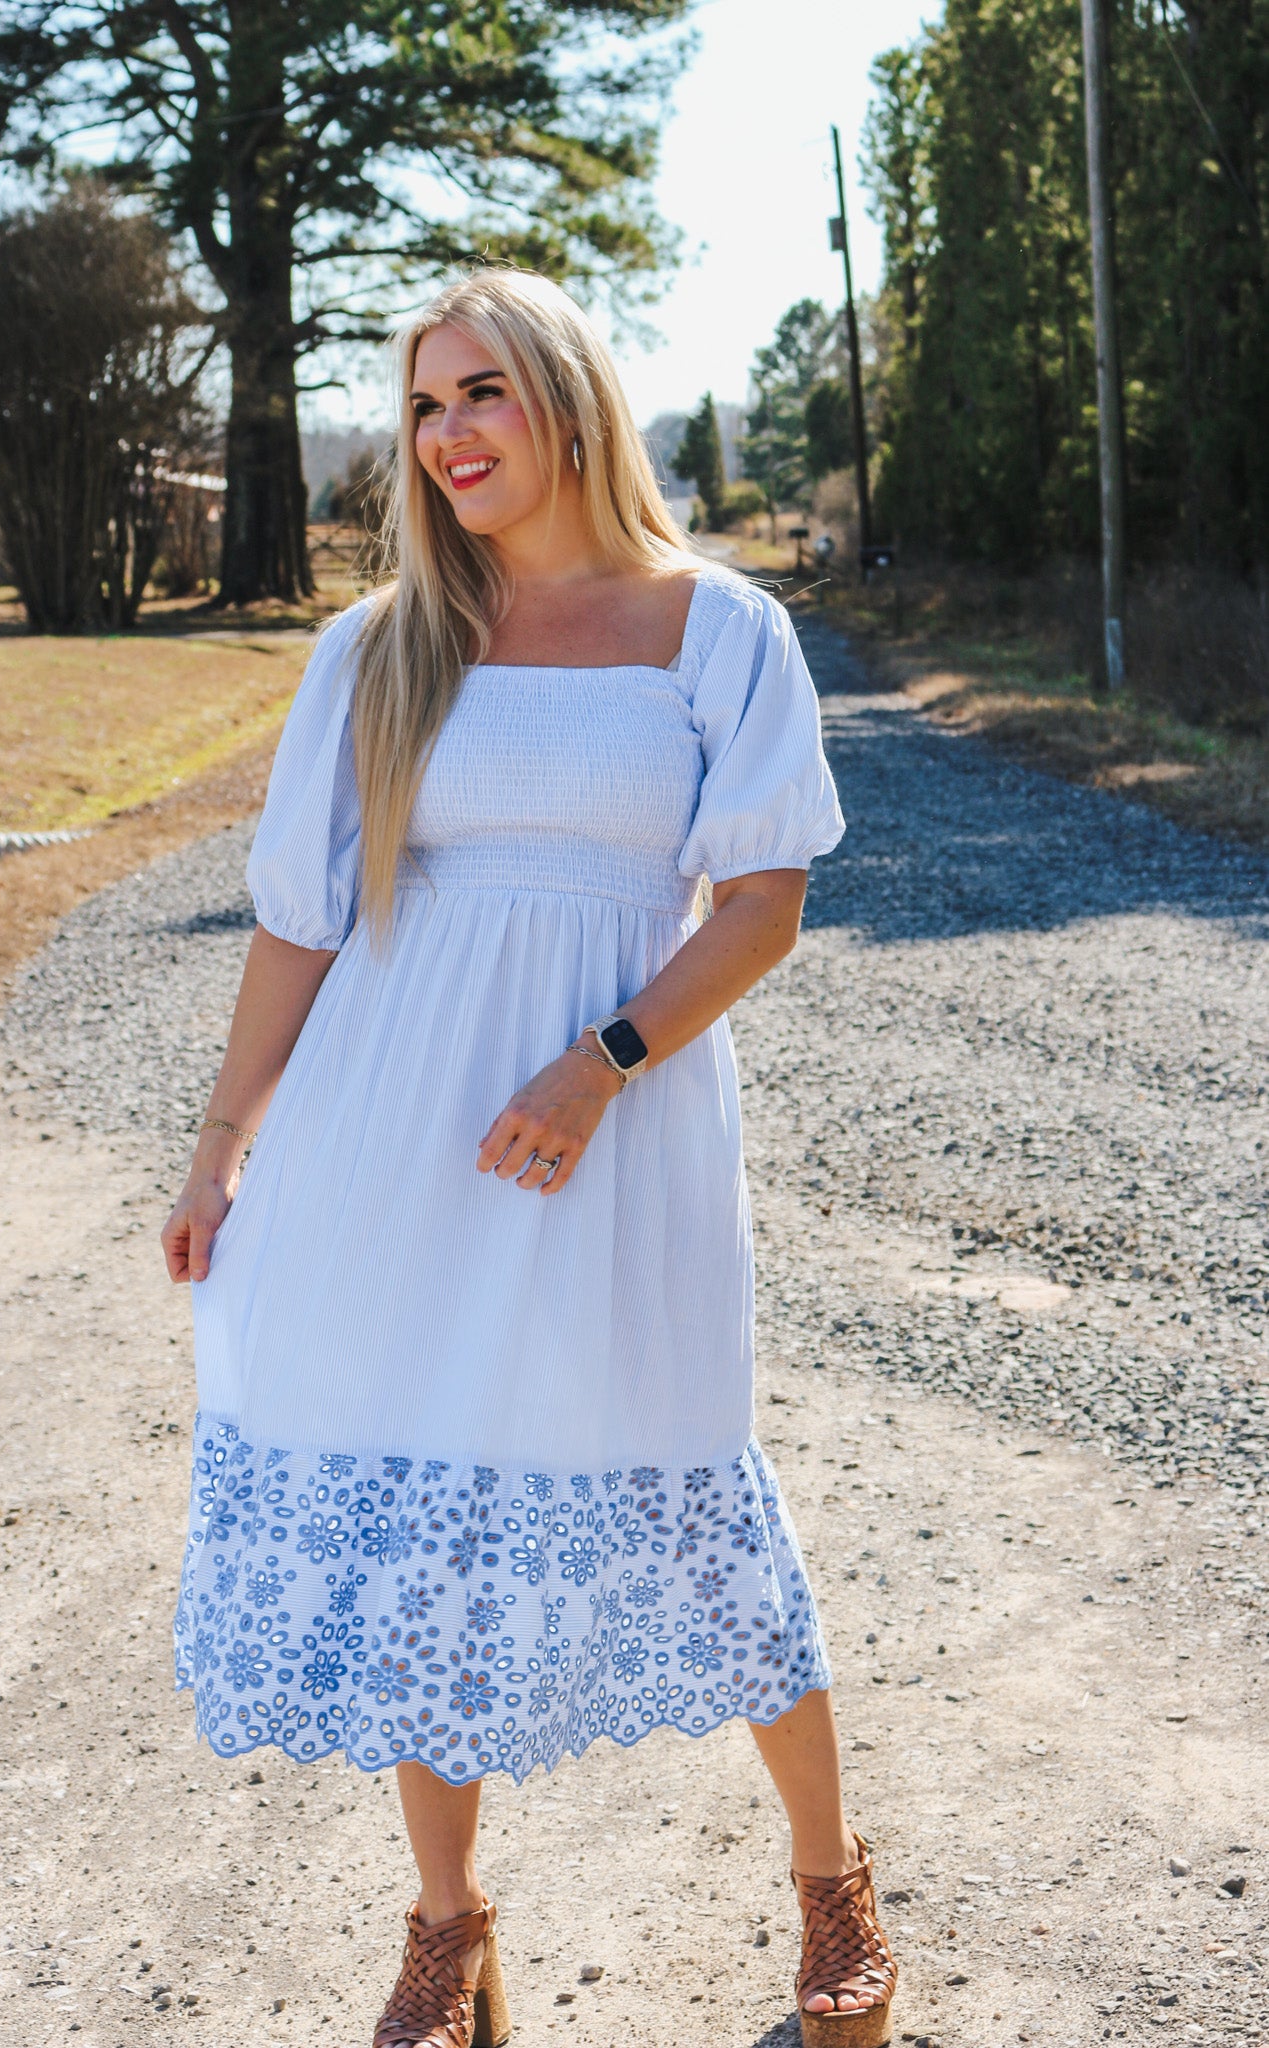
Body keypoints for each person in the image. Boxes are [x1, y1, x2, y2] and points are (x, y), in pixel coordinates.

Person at [162, 267, 897, 2048]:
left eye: (478, 391)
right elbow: (299, 926)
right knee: (414, 1493)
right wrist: (217, 1152)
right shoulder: (381, 644)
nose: (448, 434)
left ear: (565, 402)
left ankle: (829, 1882)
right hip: (386, 1134)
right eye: (422, 407)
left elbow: (768, 903)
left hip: (613, 1138)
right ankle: (446, 1931)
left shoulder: (716, 626)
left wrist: (602, 1062)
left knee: (682, 1471)